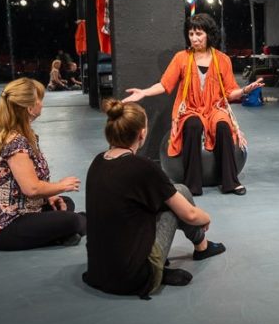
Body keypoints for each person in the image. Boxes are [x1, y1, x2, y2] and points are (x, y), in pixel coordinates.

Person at [83, 99, 226, 298]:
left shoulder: (97, 162)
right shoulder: (143, 167)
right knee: (181, 192)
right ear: (142, 133)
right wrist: (206, 218)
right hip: (134, 278)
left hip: (99, 271)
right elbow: (191, 215)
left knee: (170, 194)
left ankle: (199, 247)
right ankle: (201, 246)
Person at [123, 13, 264, 196]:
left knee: (223, 126)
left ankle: (230, 181)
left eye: (199, 34)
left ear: (209, 35)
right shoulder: (182, 58)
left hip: (215, 108)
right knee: (192, 125)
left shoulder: (222, 59)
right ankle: (192, 183)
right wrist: (143, 92)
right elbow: (165, 85)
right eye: (191, 34)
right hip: (190, 108)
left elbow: (230, 92)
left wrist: (246, 90)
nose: (195, 38)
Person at [0, 78, 86, 250]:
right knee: (73, 220)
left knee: (64, 202)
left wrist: (50, 194)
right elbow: (31, 189)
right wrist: (61, 185)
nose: (42, 103)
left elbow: (26, 185)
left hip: (24, 209)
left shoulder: (20, 135)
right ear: (29, 108)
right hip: (6, 225)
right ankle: (75, 227)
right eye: (39, 99)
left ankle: (60, 235)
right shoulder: (16, 143)